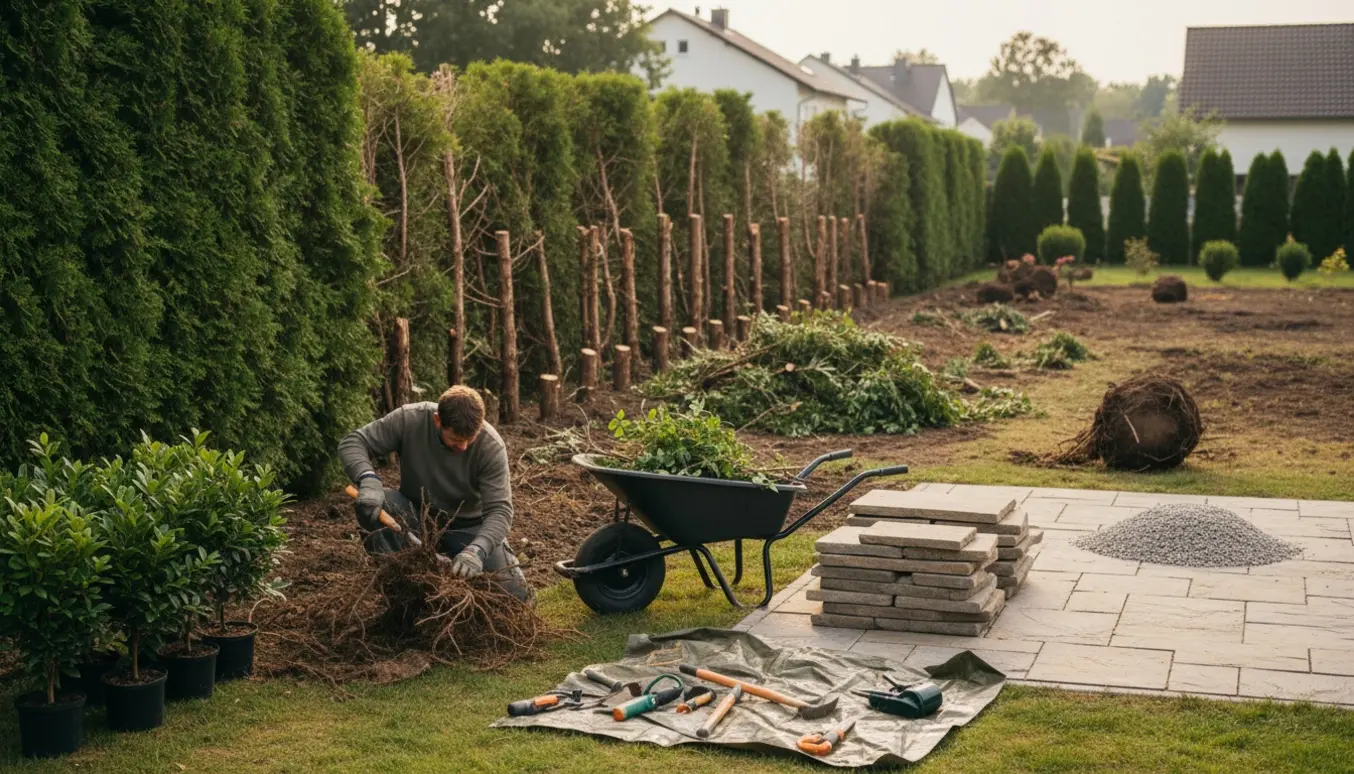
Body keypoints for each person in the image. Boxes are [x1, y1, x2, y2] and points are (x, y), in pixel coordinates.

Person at [338, 386, 532, 603]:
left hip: (469, 528)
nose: (464, 447)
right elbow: (353, 442)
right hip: (417, 516)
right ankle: (402, 593)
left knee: (515, 599)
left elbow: (500, 510)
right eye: (456, 440)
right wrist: (368, 479)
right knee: (377, 503)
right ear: (438, 421)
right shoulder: (410, 420)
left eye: (470, 439)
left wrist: (477, 550)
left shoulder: (491, 447)